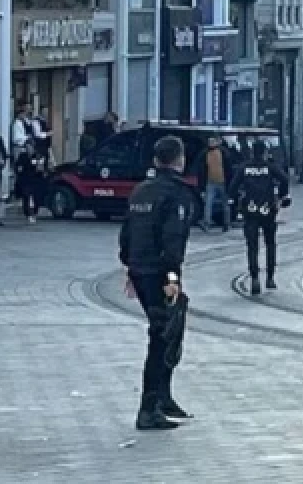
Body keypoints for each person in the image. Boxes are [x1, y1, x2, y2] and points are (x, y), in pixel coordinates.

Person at [118, 135, 193, 431]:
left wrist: (129, 267)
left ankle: (162, 397)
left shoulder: (141, 191)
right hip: (161, 273)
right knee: (164, 335)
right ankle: (149, 408)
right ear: (179, 159)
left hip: (140, 269)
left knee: (166, 333)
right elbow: (173, 240)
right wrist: (172, 278)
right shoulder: (175, 194)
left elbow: (127, 235)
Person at [228, 139, 290, 296]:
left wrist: (235, 203)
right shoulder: (270, 167)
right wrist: (282, 197)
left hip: (250, 211)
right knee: (270, 244)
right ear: (265, 152)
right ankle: (270, 278)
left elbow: (233, 187)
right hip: (268, 210)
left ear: (251, 152)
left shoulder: (244, 168)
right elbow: (284, 179)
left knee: (252, 246)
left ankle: (254, 278)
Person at [14, 141, 48, 224]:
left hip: (36, 179)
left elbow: (42, 167)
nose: (28, 149)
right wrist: (18, 170)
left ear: (33, 147)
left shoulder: (38, 156)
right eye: (26, 147)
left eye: (30, 147)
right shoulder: (22, 156)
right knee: (26, 196)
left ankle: (34, 213)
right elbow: (17, 166)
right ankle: (28, 214)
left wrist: (40, 167)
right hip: (25, 179)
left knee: (37, 197)